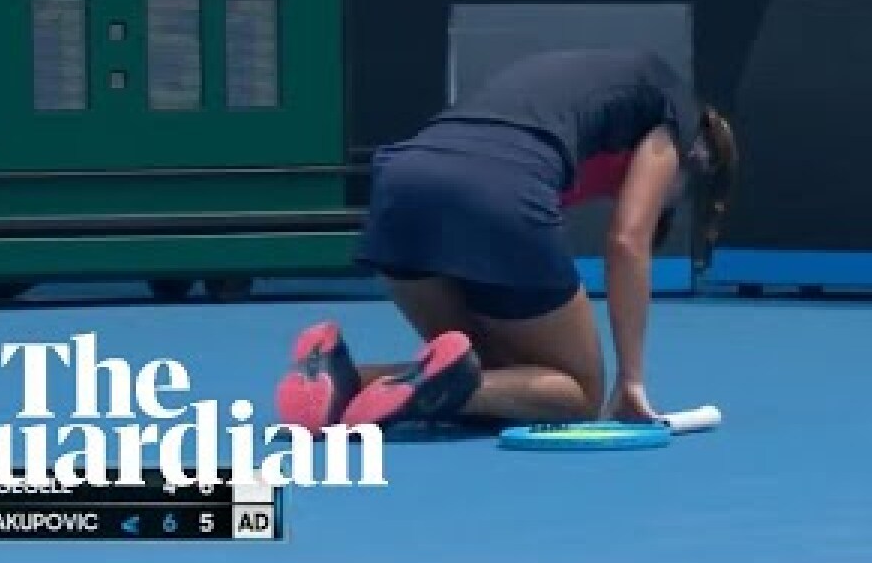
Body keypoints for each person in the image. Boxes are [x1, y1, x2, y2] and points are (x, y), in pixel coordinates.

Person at [275, 47, 738, 432]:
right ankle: (448, 389)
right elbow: (627, 240)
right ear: (697, 157)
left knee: (497, 371)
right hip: (497, 189)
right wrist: (632, 380)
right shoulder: (679, 120)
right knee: (576, 394)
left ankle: (340, 378)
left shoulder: (587, 90)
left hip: (401, 186)